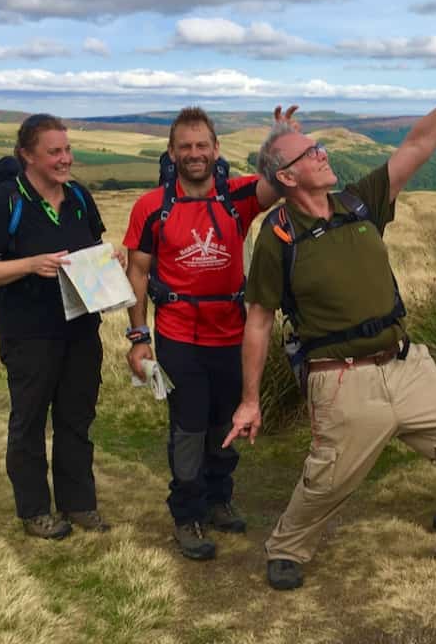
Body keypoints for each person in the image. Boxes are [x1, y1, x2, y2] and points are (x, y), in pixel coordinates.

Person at [224, 27, 436, 591]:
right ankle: (288, 546)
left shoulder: (360, 201)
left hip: (407, 365)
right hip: (341, 380)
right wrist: (251, 400)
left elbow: (417, 144)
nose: (322, 152)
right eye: (310, 153)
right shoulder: (277, 237)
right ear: (286, 177)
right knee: (330, 481)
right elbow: (258, 322)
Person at [122, 106, 286, 561]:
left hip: (233, 334)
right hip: (179, 336)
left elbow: (284, 182)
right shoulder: (150, 207)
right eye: (185, 147)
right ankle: (187, 514)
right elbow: (138, 273)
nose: (194, 154)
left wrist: (280, 140)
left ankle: (218, 498)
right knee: (189, 428)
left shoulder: (239, 196)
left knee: (224, 423)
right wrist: (138, 338)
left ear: (216, 150)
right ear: (172, 152)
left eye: (202, 146)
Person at [0, 113, 117, 540]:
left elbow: (91, 249)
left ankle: (79, 503)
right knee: (29, 422)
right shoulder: (5, 202)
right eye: (54, 151)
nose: (65, 158)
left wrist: (111, 260)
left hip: (81, 330)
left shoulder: (80, 198)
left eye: (67, 149)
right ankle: (35, 510)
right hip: (28, 333)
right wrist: (31, 265)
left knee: (76, 419)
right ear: (27, 155)